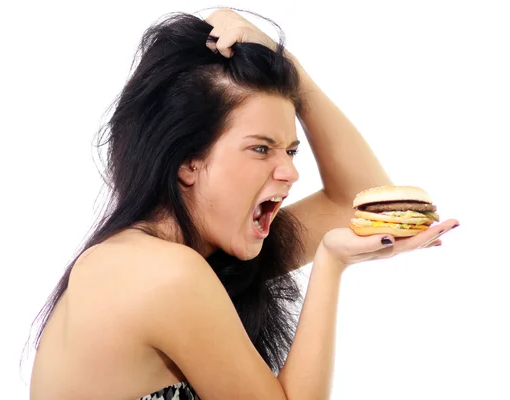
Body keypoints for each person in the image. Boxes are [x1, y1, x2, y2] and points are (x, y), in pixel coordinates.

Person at [28, 8, 459, 400]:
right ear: (188, 163)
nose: (290, 172)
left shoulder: (181, 255)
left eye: (290, 151)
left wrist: (289, 70)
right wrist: (329, 263)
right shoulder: (163, 274)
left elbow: (362, 202)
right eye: (260, 149)